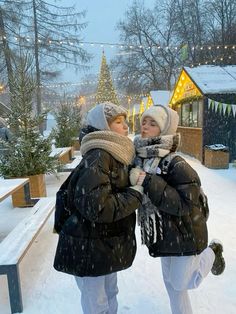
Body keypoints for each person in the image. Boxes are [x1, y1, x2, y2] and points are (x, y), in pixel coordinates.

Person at [129, 105, 225, 314]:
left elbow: (185, 204)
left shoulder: (176, 163)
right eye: (144, 121)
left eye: (153, 123)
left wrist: (147, 182)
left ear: (164, 130)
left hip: (185, 231)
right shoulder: (139, 158)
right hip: (164, 234)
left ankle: (213, 252)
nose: (145, 127)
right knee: (173, 288)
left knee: (182, 283)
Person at [54, 102, 143, 314]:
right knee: (97, 302)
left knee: (109, 292)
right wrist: (135, 193)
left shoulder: (114, 153)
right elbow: (98, 207)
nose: (126, 127)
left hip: (101, 243)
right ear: (104, 126)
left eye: (125, 121)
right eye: (118, 122)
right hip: (90, 245)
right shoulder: (99, 156)